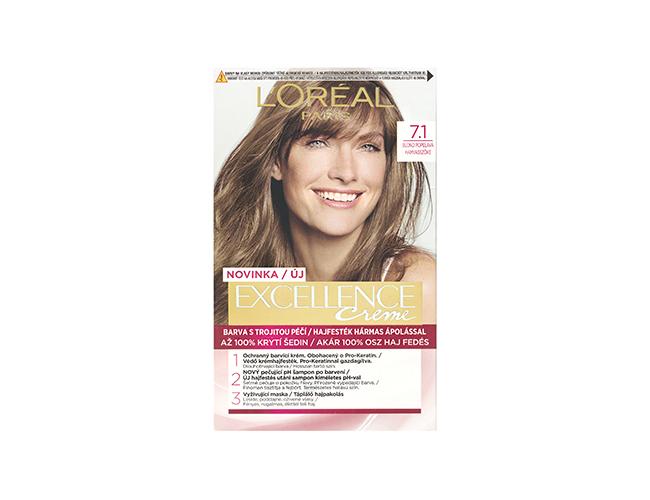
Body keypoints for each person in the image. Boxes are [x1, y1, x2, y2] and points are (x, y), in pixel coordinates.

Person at [214, 80, 435, 324]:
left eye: (368, 146)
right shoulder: (234, 281)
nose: (346, 173)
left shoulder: (414, 286)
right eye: (318, 142)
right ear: (276, 161)